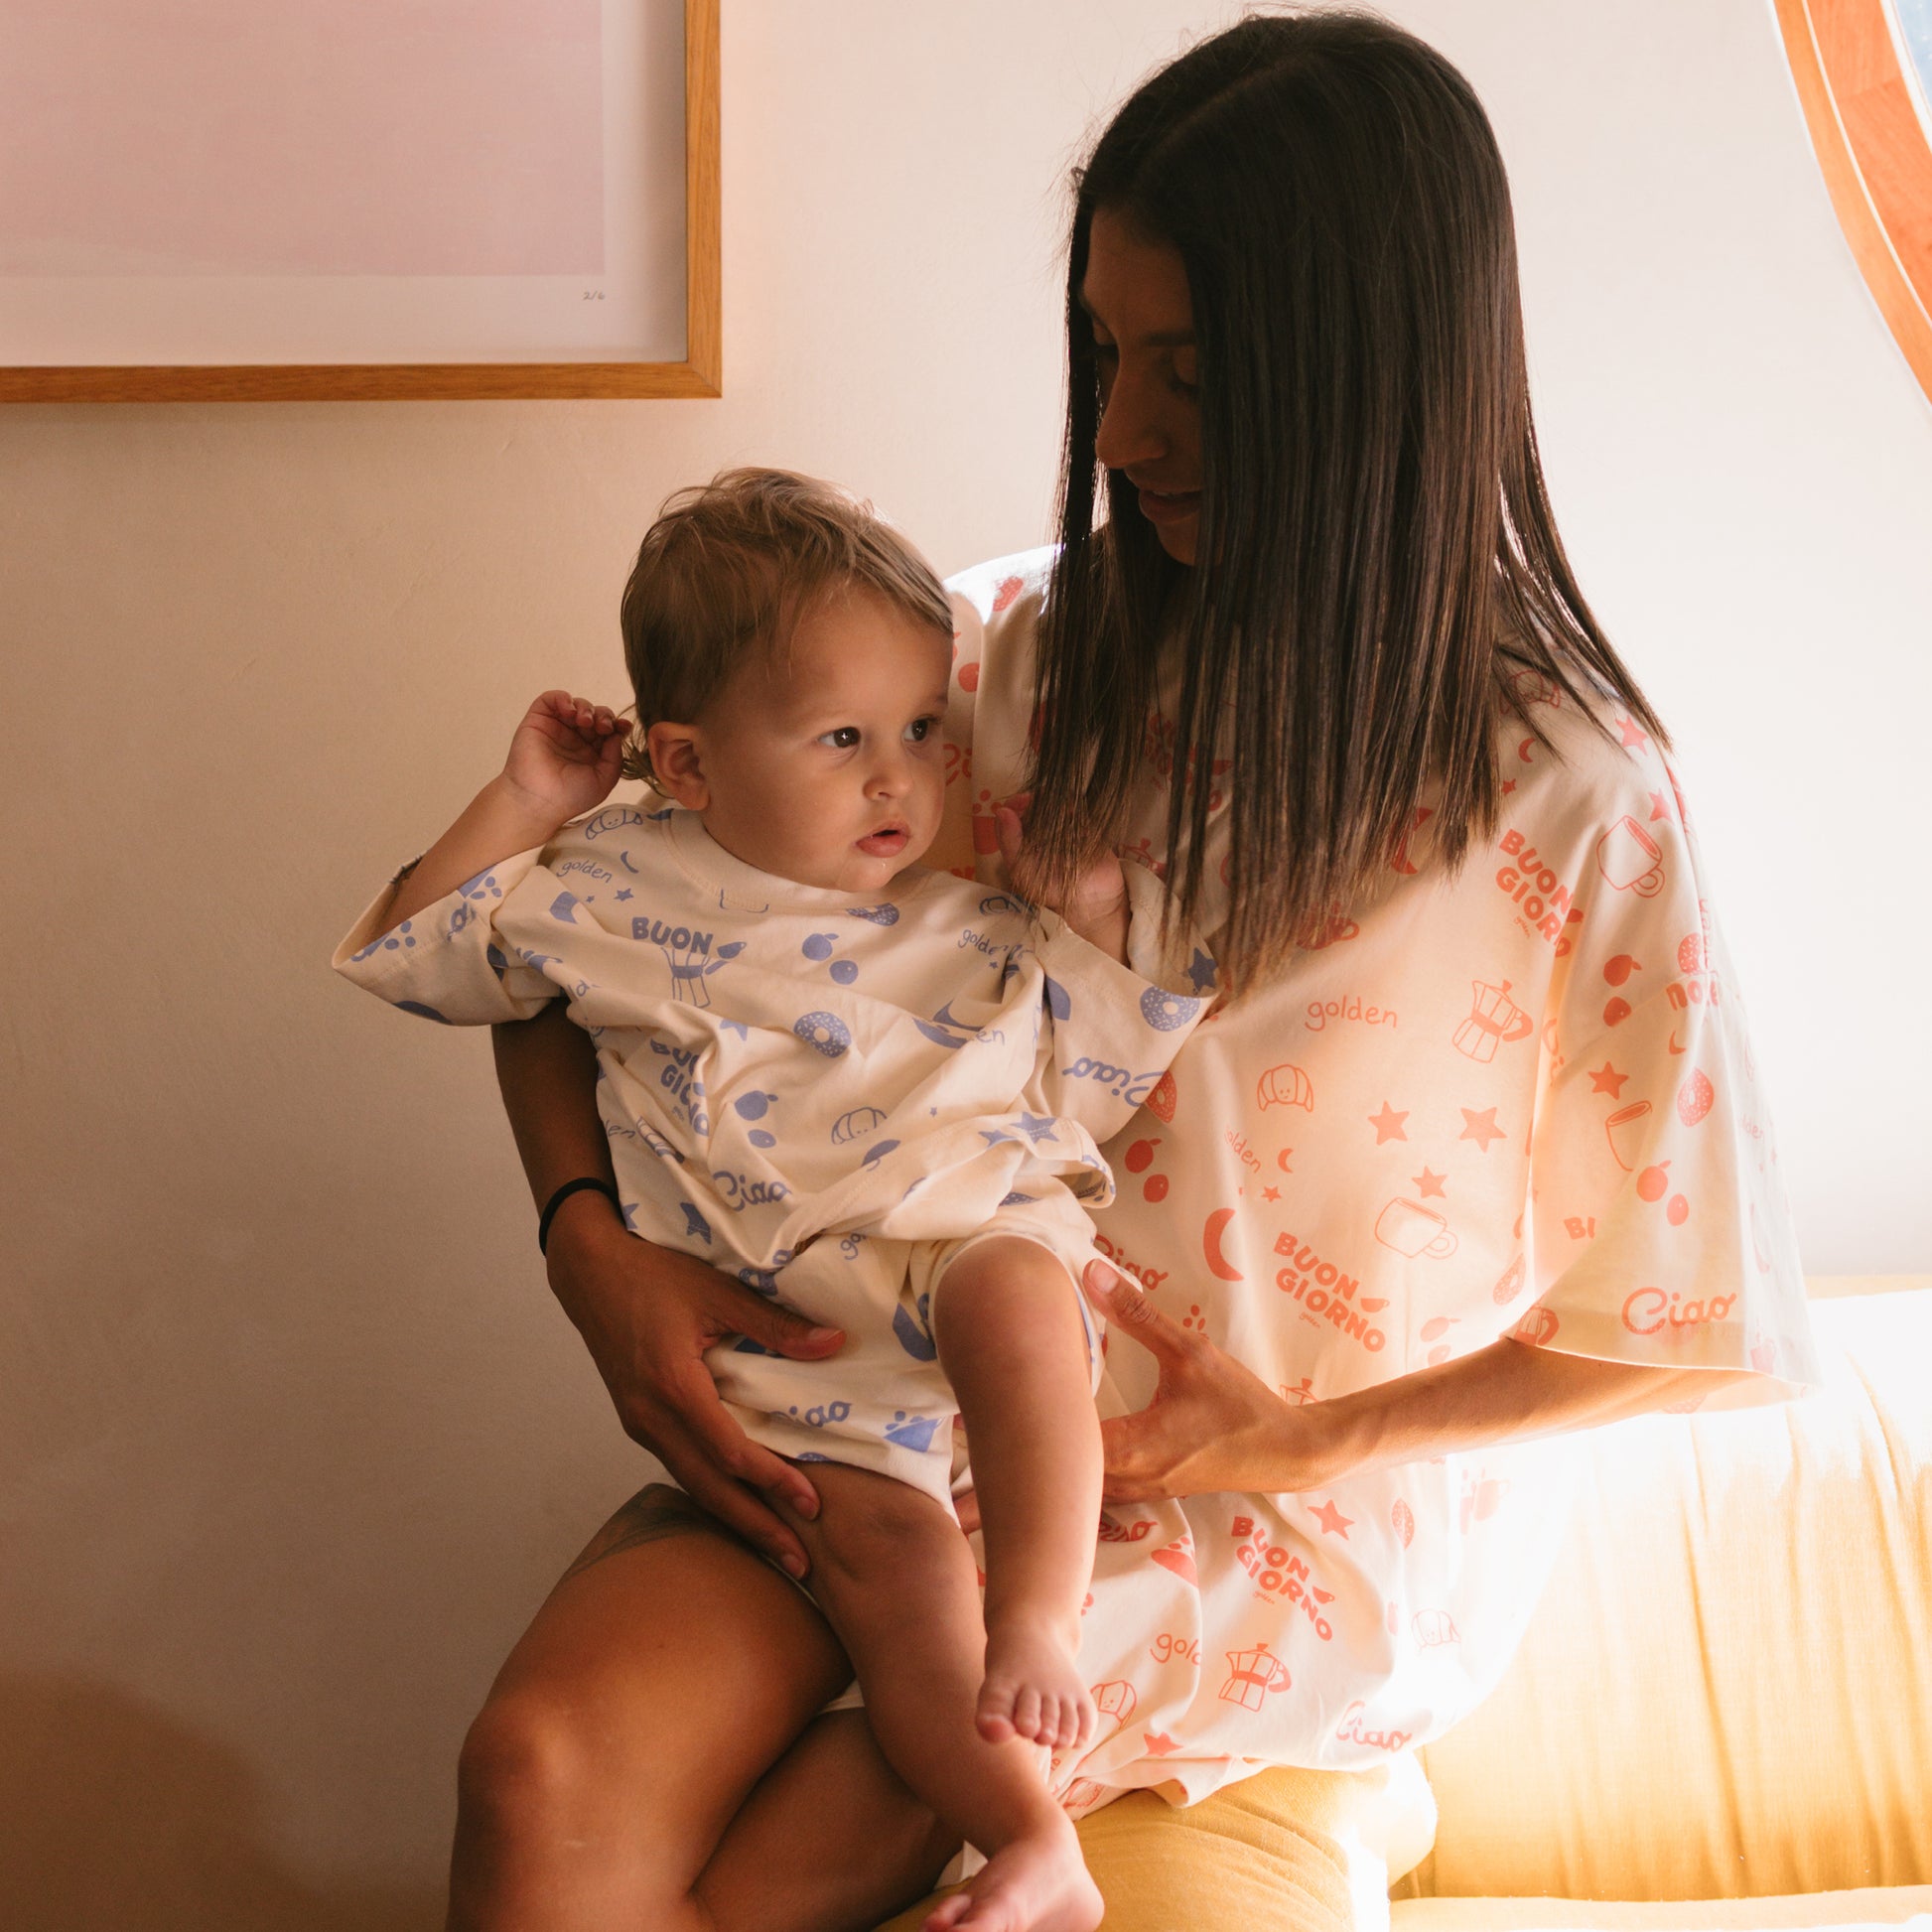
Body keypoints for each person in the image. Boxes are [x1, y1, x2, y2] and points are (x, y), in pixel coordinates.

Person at [453, 14, 1823, 1932]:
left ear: (1368, 378)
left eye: (1189, 369)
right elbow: (562, 935)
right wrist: (586, 1244)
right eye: (1106, 355)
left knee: (785, 1869)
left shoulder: (1571, 803)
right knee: (540, 1779)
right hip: (862, 1436)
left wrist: (1289, 1432)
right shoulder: (971, 673)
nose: (1118, 434)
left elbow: (1676, 1323)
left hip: (1243, 1536)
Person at [335, 470, 1221, 1932]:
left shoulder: (972, 922)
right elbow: (426, 957)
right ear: (685, 764)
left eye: (921, 730)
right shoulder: (608, 885)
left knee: (1019, 1289)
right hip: (791, 1366)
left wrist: (1092, 916)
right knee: (895, 1576)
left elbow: (1101, 1079)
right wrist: (530, 797)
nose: (901, 780)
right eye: (843, 740)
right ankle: (1032, 1840)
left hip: (958, 1262)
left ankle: (1040, 1634)